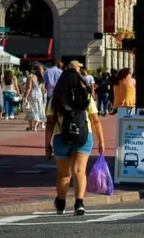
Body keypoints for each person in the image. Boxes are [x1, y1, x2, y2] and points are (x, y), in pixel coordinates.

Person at [44, 67, 105, 216]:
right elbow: (95, 120)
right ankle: (79, 203)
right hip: (83, 137)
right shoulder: (86, 96)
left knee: (64, 174)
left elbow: (50, 122)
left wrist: (47, 143)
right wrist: (101, 141)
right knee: (79, 171)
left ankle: (61, 202)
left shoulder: (55, 98)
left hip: (61, 137)